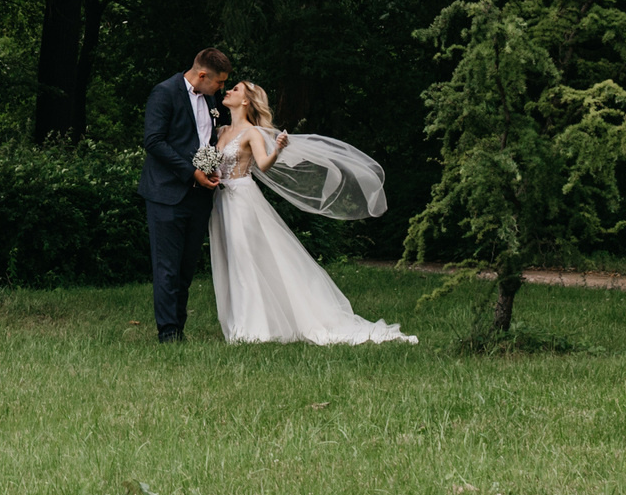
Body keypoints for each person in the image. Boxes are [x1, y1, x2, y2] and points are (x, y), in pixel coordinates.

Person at [207, 81, 417, 346]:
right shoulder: (221, 130)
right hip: (220, 201)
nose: (228, 91)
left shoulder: (251, 134)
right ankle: (240, 322)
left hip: (241, 201)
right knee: (229, 259)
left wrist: (278, 150)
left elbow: (263, 164)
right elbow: (208, 160)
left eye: (235, 89)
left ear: (246, 101)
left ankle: (252, 327)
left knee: (245, 258)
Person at [139, 47, 233, 343]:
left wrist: (211, 168)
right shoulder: (164, 93)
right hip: (166, 193)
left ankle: (178, 326)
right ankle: (168, 333)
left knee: (186, 266)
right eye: (218, 83)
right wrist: (191, 172)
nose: (221, 88)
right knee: (167, 267)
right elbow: (153, 141)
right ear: (202, 74)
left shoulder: (211, 99)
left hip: (199, 196)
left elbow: (207, 141)